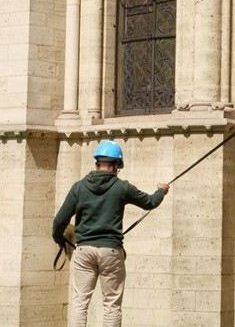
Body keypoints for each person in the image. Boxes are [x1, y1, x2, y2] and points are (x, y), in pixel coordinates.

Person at [52, 140, 169, 327]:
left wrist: (60, 239)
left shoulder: (79, 187)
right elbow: (150, 202)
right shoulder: (122, 187)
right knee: (112, 305)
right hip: (111, 252)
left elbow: (59, 221)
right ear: (116, 165)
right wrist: (161, 191)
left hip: (84, 251)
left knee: (80, 303)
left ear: (97, 163)